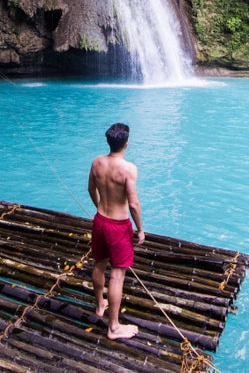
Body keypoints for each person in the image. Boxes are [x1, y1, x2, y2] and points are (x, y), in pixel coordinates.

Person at [88, 122, 145, 340]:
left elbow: (90, 189)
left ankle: (100, 304)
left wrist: (99, 207)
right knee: (118, 275)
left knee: (99, 264)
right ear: (126, 143)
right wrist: (140, 230)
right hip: (118, 227)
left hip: (100, 220)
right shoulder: (129, 169)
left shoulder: (97, 162)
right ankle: (113, 327)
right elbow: (133, 205)